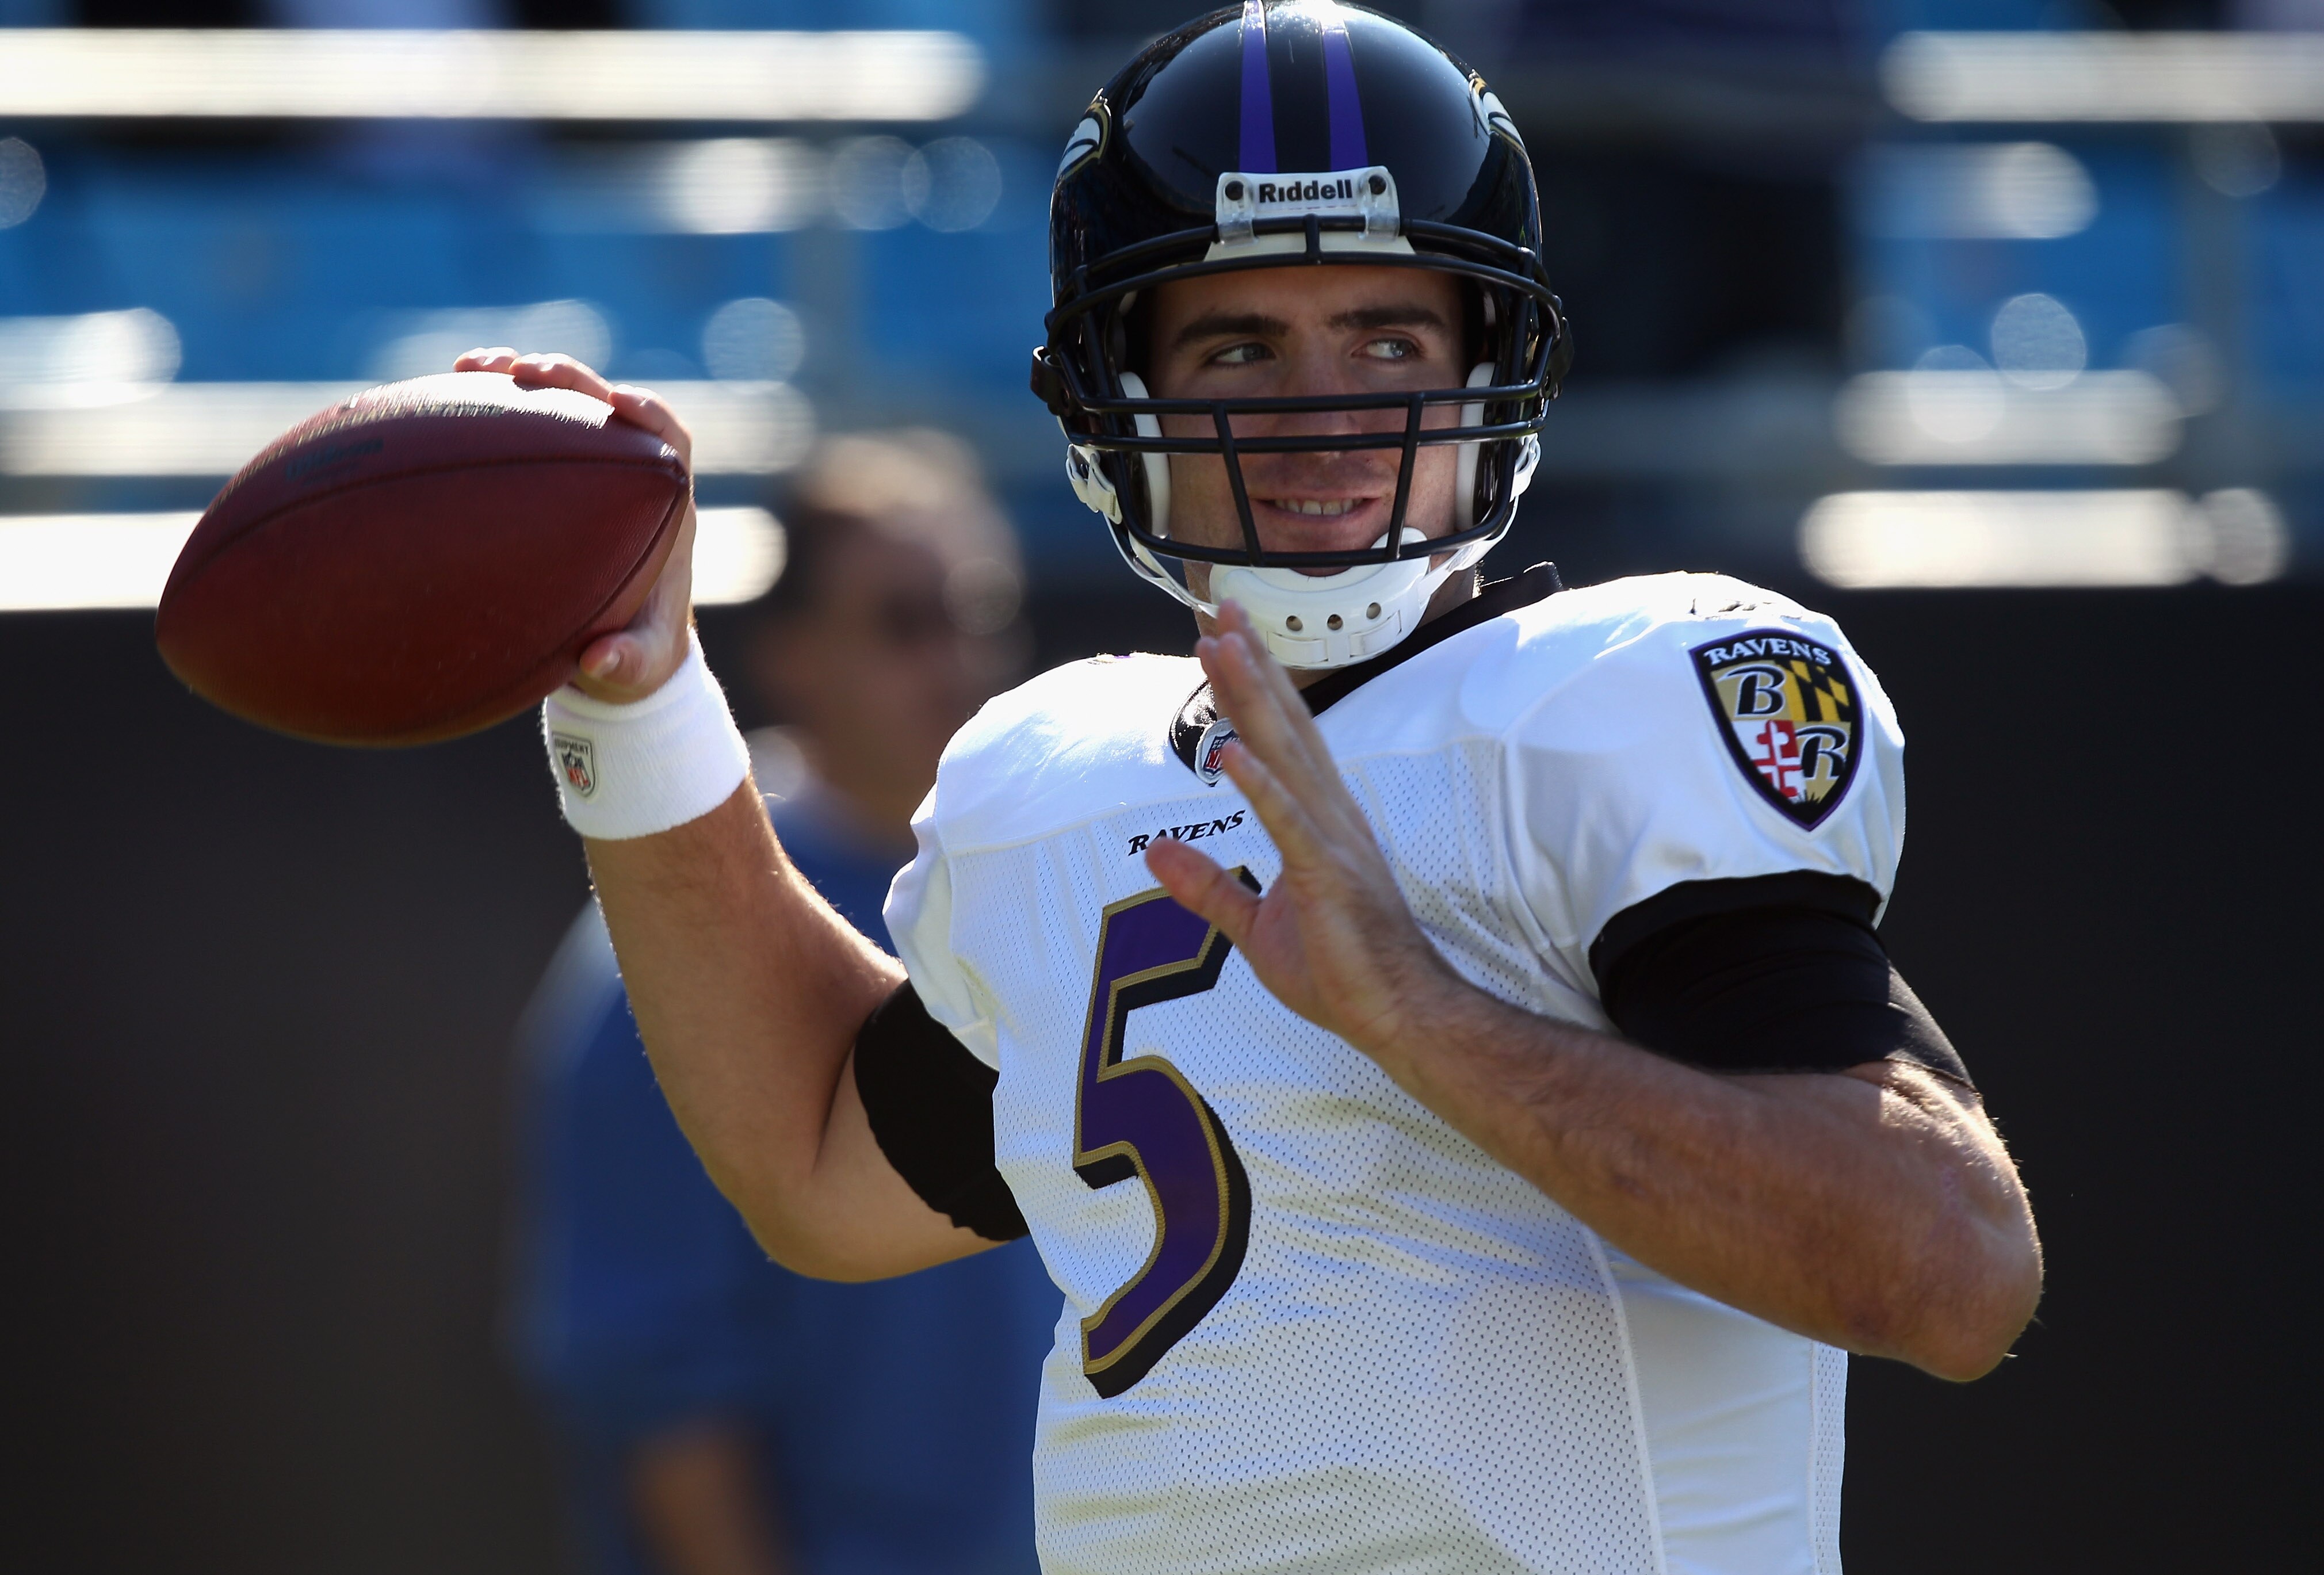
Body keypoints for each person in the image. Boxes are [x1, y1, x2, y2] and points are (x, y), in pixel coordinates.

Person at [468, 7, 2044, 1572]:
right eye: (1240, 344)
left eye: (1389, 337)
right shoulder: (1059, 784)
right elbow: (818, 1170)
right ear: (1115, 398)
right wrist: (646, 701)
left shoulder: (1612, 707)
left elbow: (1950, 1274)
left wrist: (1421, 1010)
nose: (1325, 406)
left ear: (1491, 362)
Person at [509, 435, 1054, 1575]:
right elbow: (660, 1390)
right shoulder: (662, 964)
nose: (957, 660)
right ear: (793, 654)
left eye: (977, 611)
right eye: (905, 621)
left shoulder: (1044, 893)